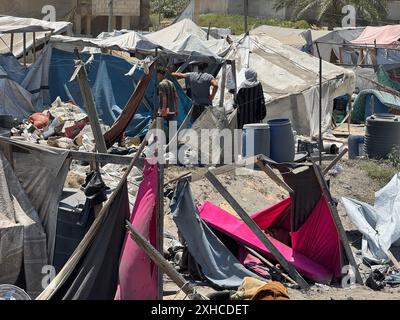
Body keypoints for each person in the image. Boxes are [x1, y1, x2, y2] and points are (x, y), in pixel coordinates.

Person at [157, 70, 179, 141]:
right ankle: (173, 143)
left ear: (160, 74)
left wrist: (163, 109)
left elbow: (164, 97)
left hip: (164, 109)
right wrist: (176, 108)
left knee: (159, 125)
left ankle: (161, 141)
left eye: (157, 75)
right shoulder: (171, 83)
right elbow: (176, 96)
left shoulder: (161, 84)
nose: (157, 77)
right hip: (172, 110)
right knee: (172, 127)